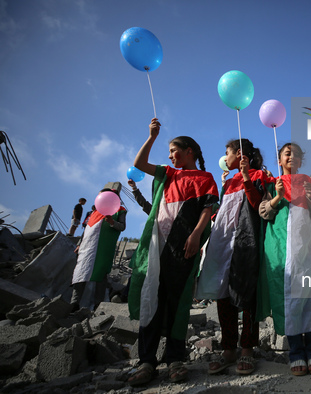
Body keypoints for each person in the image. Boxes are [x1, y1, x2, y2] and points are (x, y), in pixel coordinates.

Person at [127, 118, 218, 386]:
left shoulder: (205, 178)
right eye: (168, 153)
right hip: (156, 247)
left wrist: (196, 235)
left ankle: (176, 358)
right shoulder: (167, 173)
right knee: (151, 297)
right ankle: (147, 361)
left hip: (184, 247)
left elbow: (207, 209)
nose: (170, 156)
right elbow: (140, 164)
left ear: (189, 151)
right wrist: (152, 137)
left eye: (173, 150)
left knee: (178, 301)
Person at [196, 138, 269, 376]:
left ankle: (247, 348)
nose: (224, 157)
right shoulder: (227, 182)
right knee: (222, 292)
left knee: (246, 291)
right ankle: (228, 349)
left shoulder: (260, 174)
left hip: (246, 240)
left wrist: (248, 176)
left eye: (226, 152)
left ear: (239, 153)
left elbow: (259, 206)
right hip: (222, 242)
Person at [258, 143, 311, 376]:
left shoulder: (309, 181)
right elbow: (264, 212)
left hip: (309, 247)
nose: (293, 157)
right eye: (288, 153)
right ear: (279, 160)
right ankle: (296, 352)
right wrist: (277, 196)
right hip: (282, 248)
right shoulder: (271, 183)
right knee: (289, 297)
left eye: (297, 154)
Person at [71, 190, 125, 310]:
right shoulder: (95, 212)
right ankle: (74, 303)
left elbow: (122, 226)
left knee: (101, 275)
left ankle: (98, 305)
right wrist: (80, 243)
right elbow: (87, 230)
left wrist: (112, 222)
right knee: (81, 272)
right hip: (88, 247)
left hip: (104, 248)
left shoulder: (120, 210)